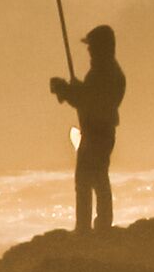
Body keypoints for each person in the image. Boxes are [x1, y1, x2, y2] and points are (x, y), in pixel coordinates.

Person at [49, 25, 126, 232]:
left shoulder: (104, 73)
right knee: (97, 178)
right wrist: (73, 89)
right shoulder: (108, 71)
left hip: (96, 133)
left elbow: (88, 101)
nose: (89, 50)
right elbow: (89, 96)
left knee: (87, 180)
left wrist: (65, 90)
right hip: (101, 132)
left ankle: (86, 228)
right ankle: (100, 225)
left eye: (92, 46)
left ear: (102, 47)